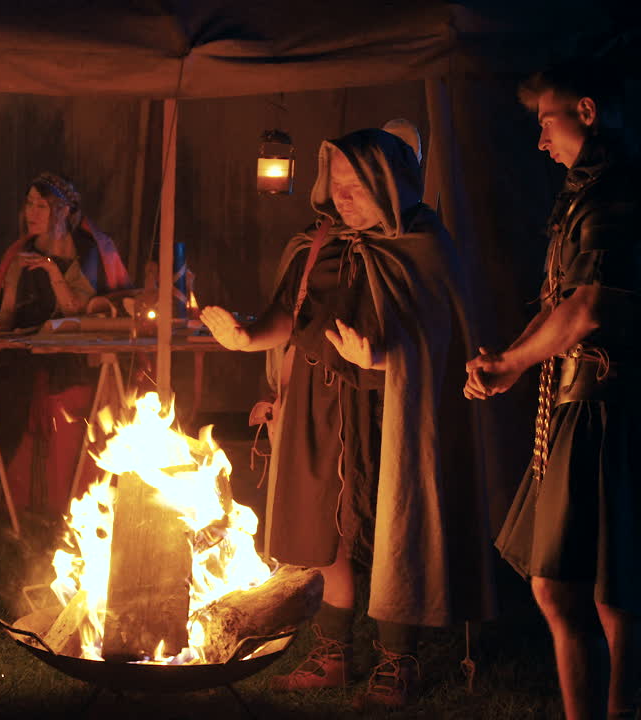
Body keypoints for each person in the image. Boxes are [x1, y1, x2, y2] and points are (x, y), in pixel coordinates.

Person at [201, 128, 494, 708]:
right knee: (323, 523)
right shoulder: (317, 244)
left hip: (394, 407)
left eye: (356, 187)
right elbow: (290, 312)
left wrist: (383, 358)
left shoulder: (421, 244)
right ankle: (333, 651)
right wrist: (247, 336)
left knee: (394, 523)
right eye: (336, 186)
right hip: (320, 401)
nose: (342, 199)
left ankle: (396, 660)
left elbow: (441, 335)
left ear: (389, 185)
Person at [466, 62, 639, 720]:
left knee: (579, 586)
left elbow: (588, 308)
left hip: (607, 405)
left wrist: (513, 357)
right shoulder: (587, 192)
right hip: (583, 400)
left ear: (587, 111)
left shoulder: (615, 190)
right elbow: (561, 302)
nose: (540, 140)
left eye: (547, 121)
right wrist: (511, 365)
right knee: (597, 586)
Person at [0, 172, 131, 512]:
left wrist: (50, 271)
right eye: (28, 204)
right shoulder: (21, 254)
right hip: (27, 349)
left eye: (40, 206)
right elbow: (5, 315)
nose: (30, 212)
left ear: (61, 212)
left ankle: (16, 496)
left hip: (75, 353)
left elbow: (77, 310)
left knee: (17, 384)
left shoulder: (91, 251)